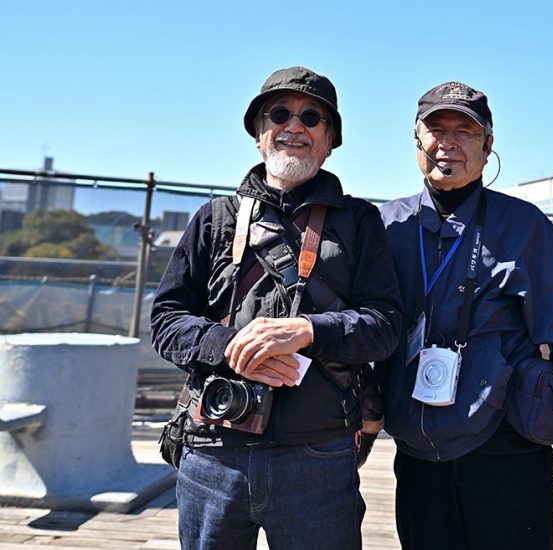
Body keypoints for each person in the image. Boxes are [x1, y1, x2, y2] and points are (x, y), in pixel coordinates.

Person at [150, 66, 403, 550]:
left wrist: (307, 330)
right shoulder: (214, 219)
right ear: (259, 135)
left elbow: (386, 325)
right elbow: (165, 320)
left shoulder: (360, 221)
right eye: (279, 114)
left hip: (319, 456)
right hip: (213, 449)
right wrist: (233, 346)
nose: (294, 126)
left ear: (330, 141)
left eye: (312, 117)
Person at [376, 81, 553, 550]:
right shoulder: (386, 226)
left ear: (488, 146)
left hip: (506, 444)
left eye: (465, 131)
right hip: (417, 452)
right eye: (435, 129)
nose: (448, 142)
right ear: (416, 141)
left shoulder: (522, 226)